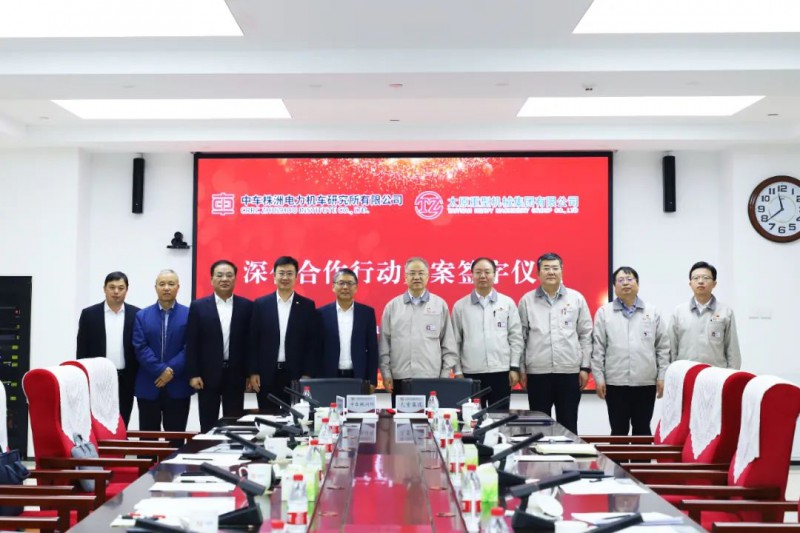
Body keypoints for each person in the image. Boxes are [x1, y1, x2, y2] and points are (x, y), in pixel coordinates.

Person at [517, 252, 592, 434]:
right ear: (538, 273)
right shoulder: (527, 300)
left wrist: (585, 367)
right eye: (546, 268)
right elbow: (520, 337)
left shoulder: (576, 299)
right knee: (538, 428)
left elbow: (586, 335)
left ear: (562, 271)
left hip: (569, 372)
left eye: (555, 268)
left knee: (568, 425)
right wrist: (521, 369)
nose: (551, 272)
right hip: (537, 373)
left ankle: (568, 455)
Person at [591, 266, 669, 436]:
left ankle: (641, 456)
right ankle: (618, 456)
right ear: (614, 286)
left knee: (643, 429)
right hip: (615, 382)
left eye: (629, 279)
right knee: (618, 430)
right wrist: (598, 377)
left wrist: (662, 376)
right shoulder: (604, 313)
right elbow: (598, 348)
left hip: (645, 382)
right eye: (620, 280)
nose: (625, 283)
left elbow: (663, 347)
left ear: (637, 284)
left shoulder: (652, 312)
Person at [186, 260, 253, 432]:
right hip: (207, 376)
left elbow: (250, 343)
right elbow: (192, 343)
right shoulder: (198, 306)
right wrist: (193, 374)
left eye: (229, 275)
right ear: (211, 279)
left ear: (235, 279)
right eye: (220, 275)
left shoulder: (247, 306)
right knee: (208, 424)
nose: (224, 279)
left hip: (236, 374)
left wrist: (249, 373)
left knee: (234, 424)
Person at [379, 257, 458, 395]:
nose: (416, 277)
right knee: (401, 410)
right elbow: (384, 344)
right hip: (400, 376)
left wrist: (444, 375)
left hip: (431, 376)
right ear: (405, 277)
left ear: (428, 277)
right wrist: (386, 373)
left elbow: (448, 344)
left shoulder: (439, 305)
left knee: (430, 409)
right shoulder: (393, 307)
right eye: (412, 273)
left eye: (421, 273)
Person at [451, 257, 524, 406]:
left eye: (487, 272)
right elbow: (455, 342)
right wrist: (457, 371)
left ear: (494, 275)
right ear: (472, 275)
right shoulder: (460, 306)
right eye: (478, 272)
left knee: (500, 416)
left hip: (501, 372)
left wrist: (514, 367)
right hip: (471, 373)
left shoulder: (507, 303)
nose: (482, 276)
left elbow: (515, 337)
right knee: (472, 416)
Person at [248, 256, 318, 408]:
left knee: (297, 416)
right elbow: (253, 341)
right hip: (266, 374)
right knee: (268, 416)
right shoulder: (261, 304)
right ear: (274, 276)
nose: (285, 277)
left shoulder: (307, 306)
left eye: (289, 273)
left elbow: (312, 344)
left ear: (296, 277)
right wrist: (253, 372)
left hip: (296, 376)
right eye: (281, 273)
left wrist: (307, 374)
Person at [132, 269, 193, 439]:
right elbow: (140, 347)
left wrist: (170, 370)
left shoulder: (189, 314)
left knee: (176, 440)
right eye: (162, 284)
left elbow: (190, 347)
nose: (166, 288)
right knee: (148, 440)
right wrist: (161, 370)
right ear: (156, 287)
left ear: (178, 287)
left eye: (171, 284)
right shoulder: (142, 316)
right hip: (149, 384)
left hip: (178, 385)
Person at [76, 271, 140, 428]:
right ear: (104, 288)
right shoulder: (89, 314)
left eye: (121, 288)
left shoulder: (137, 314)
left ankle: (121, 445)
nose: (116, 291)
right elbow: (82, 349)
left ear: (127, 290)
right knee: (99, 423)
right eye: (112, 287)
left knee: (122, 422)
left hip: (126, 378)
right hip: (98, 378)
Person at [669, 261, 741, 369]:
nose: (700, 281)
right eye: (696, 278)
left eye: (706, 278)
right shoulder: (679, 312)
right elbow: (671, 348)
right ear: (690, 284)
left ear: (714, 283)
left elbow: (732, 349)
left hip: (716, 373)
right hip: (685, 373)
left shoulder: (725, 312)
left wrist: (733, 375)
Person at [317, 268, 379, 389]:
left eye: (350, 283)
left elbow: (372, 349)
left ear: (356, 287)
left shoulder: (366, 313)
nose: (345, 287)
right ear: (333, 287)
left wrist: (372, 380)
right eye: (341, 283)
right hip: (328, 376)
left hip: (358, 376)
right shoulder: (321, 314)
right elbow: (316, 349)